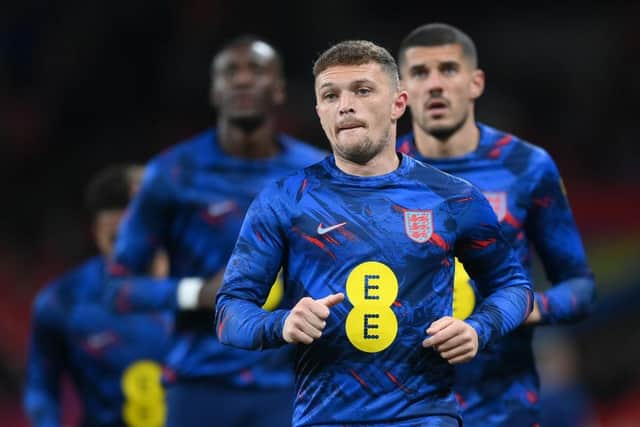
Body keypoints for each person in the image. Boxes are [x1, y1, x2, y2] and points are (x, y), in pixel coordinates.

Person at [216, 39, 533, 427]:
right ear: (319, 112)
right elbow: (229, 312)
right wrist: (280, 324)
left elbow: (514, 286)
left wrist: (478, 329)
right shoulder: (283, 201)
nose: (345, 104)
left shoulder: (452, 198)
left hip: (425, 416)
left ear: (399, 103)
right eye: (330, 95)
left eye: (362, 90)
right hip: (325, 419)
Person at [107, 35, 327, 427]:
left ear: (278, 91)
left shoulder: (316, 174)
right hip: (198, 386)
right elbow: (118, 288)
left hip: (290, 388)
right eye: (230, 72)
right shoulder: (172, 173)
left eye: (256, 71)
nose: (242, 80)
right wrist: (196, 293)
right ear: (214, 90)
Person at [396, 22, 596, 426]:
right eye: (420, 72)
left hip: (502, 406)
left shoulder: (527, 167)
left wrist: (526, 309)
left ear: (475, 83)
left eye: (448, 69)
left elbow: (579, 285)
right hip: (404, 406)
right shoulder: (373, 176)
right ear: (401, 94)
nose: (435, 84)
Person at [23, 164, 172, 427]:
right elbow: (41, 392)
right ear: (96, 232)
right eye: (115, 239)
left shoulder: (217, 291)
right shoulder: (62, 302)